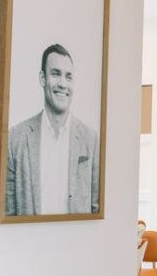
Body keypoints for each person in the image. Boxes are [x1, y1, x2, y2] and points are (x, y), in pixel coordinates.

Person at [6, 43, 100, 216]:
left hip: (74, 241)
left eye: (69, 76)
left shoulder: (91, 139)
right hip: (29, 241)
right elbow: (8, 212)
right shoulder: (15, 138)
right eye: (56, 74)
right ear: (43, 78)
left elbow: (97, 211)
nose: (63, 84)